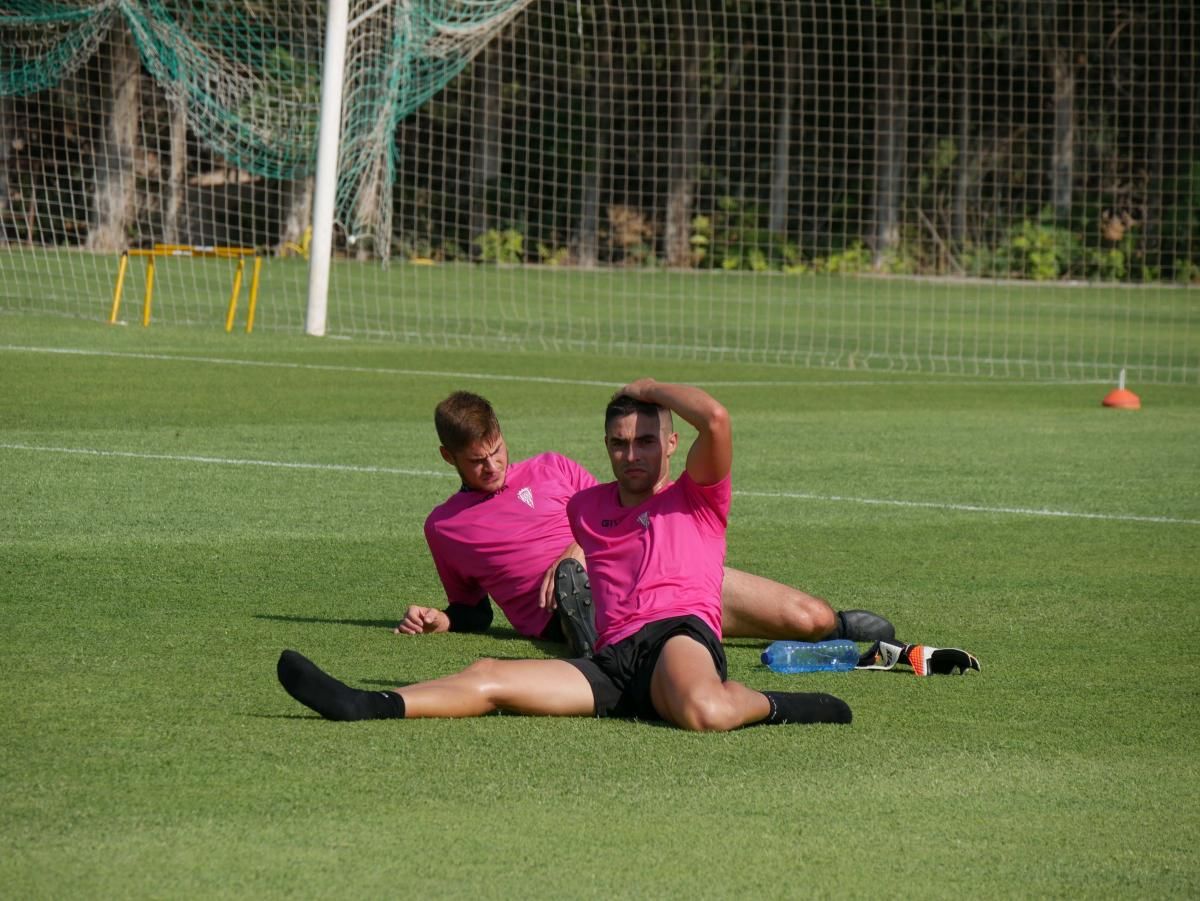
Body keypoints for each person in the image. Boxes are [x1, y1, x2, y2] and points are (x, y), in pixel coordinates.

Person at [277, 379, 852, 730]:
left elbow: (717, 420)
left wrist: (650, 389)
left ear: (672, 443)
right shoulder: (585, 505)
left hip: (674, 633)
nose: (632, 454)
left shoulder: (695, 496)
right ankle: (366, 704)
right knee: (490, 677)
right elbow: (483, 599)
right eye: (620, 443)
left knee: (711, 708)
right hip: (608, 658)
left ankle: (786, 701)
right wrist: (449, 616)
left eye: (646, 440)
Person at [395, 390, 893, 657]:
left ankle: (838, 629)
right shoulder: (445, 527)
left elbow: (613, 511)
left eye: (496, 450)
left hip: (655, 568)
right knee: (582, 595)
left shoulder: (552, 467)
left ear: (503, 435)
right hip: (573, 611)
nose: (492, 466)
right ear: (448, 457)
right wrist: (443, 619)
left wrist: (578, 549)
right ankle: (600, 632)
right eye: (476, 460)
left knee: (809, 617)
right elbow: (473, 613)